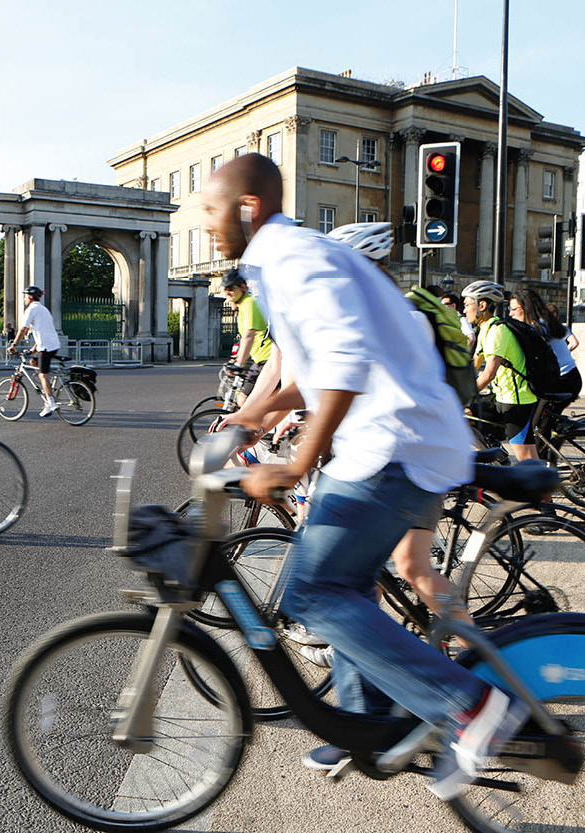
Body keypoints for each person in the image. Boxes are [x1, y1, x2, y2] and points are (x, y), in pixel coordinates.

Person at [203, 153, 524, 799]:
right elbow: (307, 375)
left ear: (247, 206)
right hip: (387, 441)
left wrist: (295, 461)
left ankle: (469, 704)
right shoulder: (281, 261)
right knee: (345, 585)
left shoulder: (294, 258)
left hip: (395, 443)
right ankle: (367, 724)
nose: (207, 224)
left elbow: (344, 362)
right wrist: (249, 421)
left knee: (314, 592)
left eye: (212, 209)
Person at [464, 281, 538, 460]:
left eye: (467, 305)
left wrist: (464, 394)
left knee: (527, 462)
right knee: (465, 417)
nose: (464, 310)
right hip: (501, 396)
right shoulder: (485, 329)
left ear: (481, 305)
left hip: (516, 399)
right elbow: (474, 363)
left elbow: (488, 374)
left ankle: (542, 486)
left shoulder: (498, 331)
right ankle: (496, 460)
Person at [510, 289, 581, 401]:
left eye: (514, 309)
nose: (510, 314)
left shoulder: (537, 328)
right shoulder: (547, 321)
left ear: (527, 308)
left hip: (561, 380)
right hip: (570, 377)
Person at [7, 286, 63, 417]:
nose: (24, 298)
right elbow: (43, 330)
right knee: (33, 361)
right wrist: (33, 349)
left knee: (43, 374)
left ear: (30, 297)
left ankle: (51, 402)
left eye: (25, 296)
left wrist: (14, 345)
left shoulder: (31, 309)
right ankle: (47, 389)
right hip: (52, 344)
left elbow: (23, 329)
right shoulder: (44, 309)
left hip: (46, 346)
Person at [220, 269, 273, 402]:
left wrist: (240, 363)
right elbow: (244, 339)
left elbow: (249, 335)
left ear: (243, 287)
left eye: (231, 288)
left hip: (267, 359)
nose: (227, 292)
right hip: (260, 359)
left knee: (243, 400)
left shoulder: (249, 303)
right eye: (225, 288)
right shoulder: (243, 305)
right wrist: (236, 359)